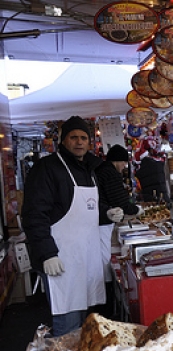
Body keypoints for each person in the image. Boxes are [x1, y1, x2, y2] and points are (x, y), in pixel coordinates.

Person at [22, 116, 122, 336]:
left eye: (84, 138)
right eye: (73, 137)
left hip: (86, 260)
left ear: (89, 142)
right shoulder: (47, 168)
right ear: (63, 141)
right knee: (67, 328)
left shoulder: (88, 169)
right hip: (61, 260)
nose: (79, 142)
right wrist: (47, 253)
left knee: (86, 326)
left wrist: (105, 213)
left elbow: (86, 208)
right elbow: (34, 215)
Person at [96, 145, 142, 291]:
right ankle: (107, 291)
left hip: (101, 218)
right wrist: (137, 210)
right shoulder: (110, 173)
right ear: (117, 161)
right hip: (102, 221)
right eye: (124, 162)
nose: (124, 166)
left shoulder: (102, 170)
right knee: (104, 260)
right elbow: (120, 201)